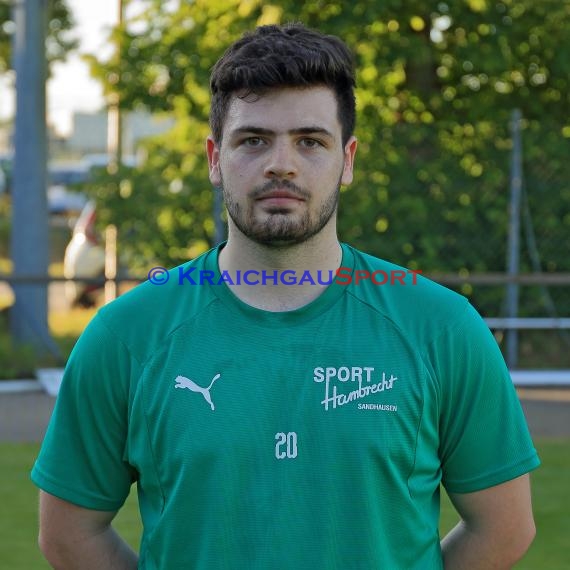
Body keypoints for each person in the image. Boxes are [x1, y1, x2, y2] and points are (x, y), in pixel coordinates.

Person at [32, 23, 539, 569]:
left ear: (347, 160)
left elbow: (504, 527)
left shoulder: (441, 328)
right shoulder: (127, 335)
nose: (281, 163)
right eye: (253, 140)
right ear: (214, 158)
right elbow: (69, 534)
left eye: (310, 141)